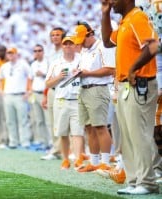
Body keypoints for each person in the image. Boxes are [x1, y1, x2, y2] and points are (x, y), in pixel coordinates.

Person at [101, 0, 161, 195]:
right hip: (126, 86)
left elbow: (153, 46)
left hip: (139, 84)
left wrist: (134, 68)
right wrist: (105, 13)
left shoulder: (137, 17)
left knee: (140, 135)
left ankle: (148, 182)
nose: (110, 1)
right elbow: (106, 41)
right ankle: (135, 180)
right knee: (127, 137)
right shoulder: (125, 21)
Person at [74, 21, 115, 172]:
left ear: (90, 34)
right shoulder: (85, 50)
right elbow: (85, 70)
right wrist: (77, 72)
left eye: (82, 40)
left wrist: (88, 73)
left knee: (100, 127)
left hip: (98, 89)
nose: (81, 44)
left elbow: (110, 69)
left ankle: (105, 162)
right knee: (89, 127)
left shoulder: (103, 46)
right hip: (84, 89)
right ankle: (94, 161)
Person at [45, 36, 85, 170]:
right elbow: (47, 83)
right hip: (61, 101)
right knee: (62, 132)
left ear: (75, 46)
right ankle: (66, 159)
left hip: (78, 100)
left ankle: (78, 158)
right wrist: (58, 77)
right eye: (65, 44)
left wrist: (81, 73)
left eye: (70, 44)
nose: (68, 46)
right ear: (62, 47)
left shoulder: (82, 59)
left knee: (77, 132)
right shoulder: (56, 63)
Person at [0, 47, 33, 149]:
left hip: (20, 95)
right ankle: (13, 141)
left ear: (16, 54)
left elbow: (31, 76)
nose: (10, 55)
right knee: (10, 120)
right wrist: (1, 90)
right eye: (9, 53)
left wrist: (29, 91)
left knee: (23, 120)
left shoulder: (23, 64)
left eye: (12, 53)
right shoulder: (4, 66)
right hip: (8, 95)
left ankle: (25, 141)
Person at [41, 27, 66, 160]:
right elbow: (48, 76)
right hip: (52, 89)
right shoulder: (50, 54)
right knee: (52, 121)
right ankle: (56, 149)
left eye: (58, 35)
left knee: (64, 120)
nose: (55, 37)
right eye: (53, 35)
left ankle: (68, 150)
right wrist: (45, 95)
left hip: (63, 89)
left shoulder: (66, 51)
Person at [30, 44, 50, 150]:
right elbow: (30, 78)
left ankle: (51, 142)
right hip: (35, 92)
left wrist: (43, 74)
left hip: (44, 93)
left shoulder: (48, 62)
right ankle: (44, 142)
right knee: (39, 120)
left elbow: (52, 77)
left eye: (39, 50)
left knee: (48, 120)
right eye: (35, 51)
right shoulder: (33, 64)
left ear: (43, 51)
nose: (37, 52)